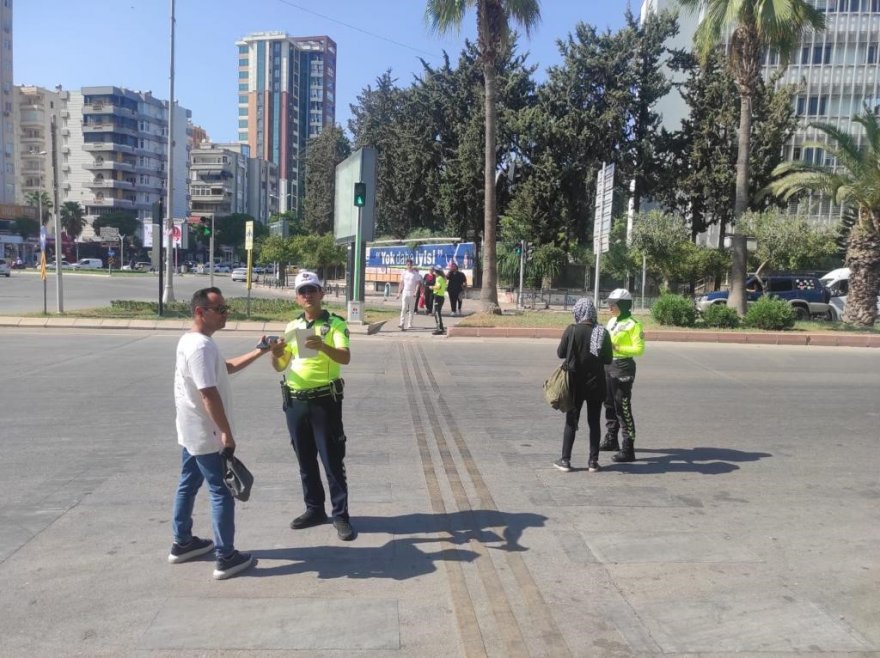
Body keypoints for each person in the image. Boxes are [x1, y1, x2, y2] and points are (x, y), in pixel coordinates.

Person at [170, 287, 274, 580]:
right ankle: (226, 557)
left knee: (188, 483)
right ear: (200, 312)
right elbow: (208, 393)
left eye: (226, 309)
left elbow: (225, 368)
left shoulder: (193, 342)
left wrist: (260, 350)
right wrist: (225, 434)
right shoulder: (201, 347)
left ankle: (182, 542)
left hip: (191, 430)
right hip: (206, 433)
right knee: (222, 491)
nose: (226, 314)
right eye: (221, 310)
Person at [270, 271, 355, 541]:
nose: (307, 295)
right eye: (302, 291)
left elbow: (345, 357)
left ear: (322, 293)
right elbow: (282, 365)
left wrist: (324, 347)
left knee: (331, 460)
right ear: (297, 298)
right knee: (304, 459)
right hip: (295, 400)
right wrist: (276, 355)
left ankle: (340, 515)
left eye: (312, 290)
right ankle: (315, 509)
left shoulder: (335, 324)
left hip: (324, 401)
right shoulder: (293, 326)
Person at [554, 298, 613, 473]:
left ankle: (565, 460)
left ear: (578, 312)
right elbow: (608, 359)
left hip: (575, 384)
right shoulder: (602, 332)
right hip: (596, 384)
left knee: (571, 422)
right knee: (594, 422)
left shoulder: (572, 330)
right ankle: (593, 462)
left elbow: (560, 353)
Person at [599, 288, 645, 463]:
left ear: (623, 305)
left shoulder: (634, 324)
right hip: (608, 365)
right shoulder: (611, 322)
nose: (610, 307)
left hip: (623, 367)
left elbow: (639, 349)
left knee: (623, 408)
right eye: (609, 304)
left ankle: (628, 448)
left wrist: (618, 349)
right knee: (609, 404)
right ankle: (612, 439)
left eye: (613, 304)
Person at [396, 259, 423, 331]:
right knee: (404, 308)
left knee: (411, 309)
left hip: (412, 293)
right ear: (406, 265)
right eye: (408, 265)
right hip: (405, 292)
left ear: (412, 265)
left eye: (410, 265)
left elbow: (418, 284)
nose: (409, 266)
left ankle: (410, 323)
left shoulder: (415, 274)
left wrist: (416, 292)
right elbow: (401, 283)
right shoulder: (404, 273)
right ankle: (401, 323)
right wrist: (398, 293)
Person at [430, 268, 448, 335]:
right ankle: (441, 327)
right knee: (438, 312)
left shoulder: (439, 278)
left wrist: (432, 287)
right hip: (441, 296)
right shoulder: (443, 278)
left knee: (436, 313)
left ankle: (439, 329)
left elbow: (438, 287)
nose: (434, 273)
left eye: (435, 272)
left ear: (437, 272)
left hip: (437, 296)